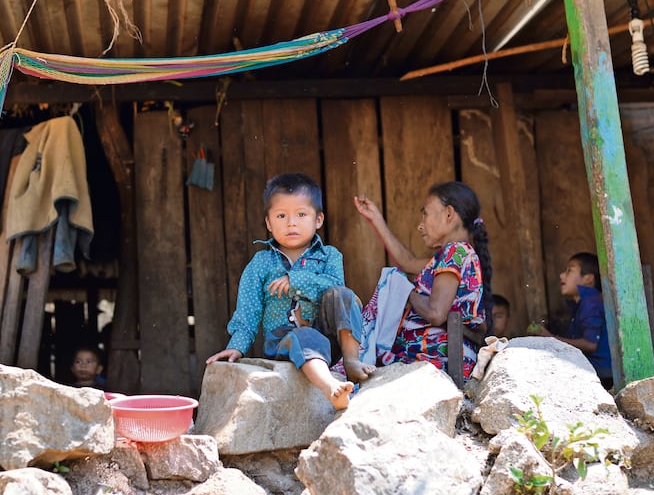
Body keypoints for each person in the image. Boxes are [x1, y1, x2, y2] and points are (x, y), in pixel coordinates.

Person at [205, 173, 373, 409]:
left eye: (301, 214)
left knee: (342, 294)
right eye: (281, 215)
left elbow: (335, 287)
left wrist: (295, 280)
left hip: (328, 340)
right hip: (284, 341)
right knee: (304, 335)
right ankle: (330, 387)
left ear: (318, 219)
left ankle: (351, 361)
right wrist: (237, 345)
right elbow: (248, 311)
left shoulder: (330, 256)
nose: (291, 222)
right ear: (268, 223)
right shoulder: (261, 264)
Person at [354, 181, 492, 379]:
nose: (420, 225)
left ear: (449, 214)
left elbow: (436, 313)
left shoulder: (455, 251)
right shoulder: (454, 256)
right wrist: (376, 219)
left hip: (434, 360)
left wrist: (406, 292)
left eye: (425, 213)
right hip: (435, 356)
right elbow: (407, 262)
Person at [529, 252, 613, 388]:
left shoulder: (590, 303)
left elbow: (590, 345)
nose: (562, 275)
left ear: (588, 279)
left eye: (570, 270)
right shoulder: (584, 303)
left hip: (602, 374)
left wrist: (551, 338)